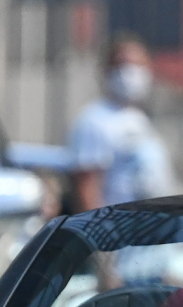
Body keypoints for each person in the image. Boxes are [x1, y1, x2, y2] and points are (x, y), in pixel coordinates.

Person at [67, 34, 176, 208]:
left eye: (138, 65)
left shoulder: (140, 118)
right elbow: (86, 187)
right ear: (107, 71)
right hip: (120, 228)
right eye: (123, 65)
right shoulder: (94, 120)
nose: (130, 72)